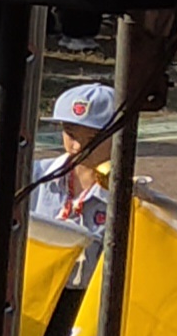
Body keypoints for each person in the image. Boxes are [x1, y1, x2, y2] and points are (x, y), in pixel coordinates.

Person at [36, 80, 121, 229]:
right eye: (70, 134)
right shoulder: (34, 175)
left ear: (118, 136)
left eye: (93, 138)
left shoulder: (126, 194)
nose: (78, 147)